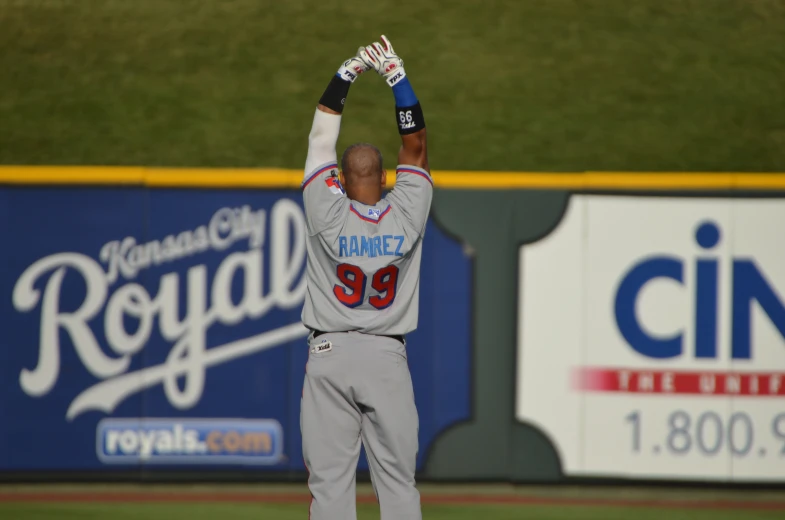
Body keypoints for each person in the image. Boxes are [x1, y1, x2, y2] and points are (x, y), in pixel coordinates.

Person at [299, 35, 431, 520]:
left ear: (342, 180)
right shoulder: (408, 213)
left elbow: (319, 142)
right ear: (385, 177)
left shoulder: (326, 213)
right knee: (398, 485)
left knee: (330, 486)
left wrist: (345, 75)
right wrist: (397, 76)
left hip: (329, 354)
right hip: (385, 356)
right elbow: (415, 146)